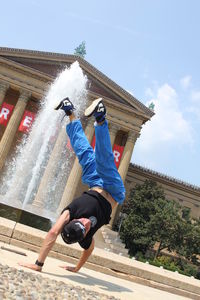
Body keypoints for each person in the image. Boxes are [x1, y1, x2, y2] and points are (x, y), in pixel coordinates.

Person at [19, 97, 125, 273]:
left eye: (81, 223)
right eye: (86, 228)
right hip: (114, 191)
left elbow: (53, 233)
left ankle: (69, 111)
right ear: (84, 235)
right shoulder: (86, 238)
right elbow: (88, 251)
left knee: (82, 150)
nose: (86, 223)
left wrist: (38, 264)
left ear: (73, 220)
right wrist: (76, 268)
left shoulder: (70, 213)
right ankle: (100, 118)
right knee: (104, 162)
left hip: (94, 181)